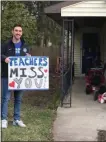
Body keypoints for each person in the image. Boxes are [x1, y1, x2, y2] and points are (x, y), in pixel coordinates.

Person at [1, 24, 31, 128]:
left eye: (20, 31)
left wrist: (29, 57)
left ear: (21, 33)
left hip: (20, 77)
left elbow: (28, 60)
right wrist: (4, 58)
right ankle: (3, 119)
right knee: (6, 98)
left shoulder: (25, 46)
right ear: (12, 32)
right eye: (16, 30)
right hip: (7, 76)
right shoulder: (5, 45)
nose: (18, 33)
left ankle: (16, 119)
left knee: (18, 99)